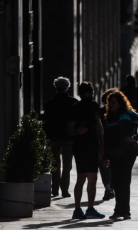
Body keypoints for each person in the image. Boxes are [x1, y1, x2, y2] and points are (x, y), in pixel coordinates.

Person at [102, 91, 138, 219]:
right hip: (113, 153)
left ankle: (125, 211)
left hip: (127, 152)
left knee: (124, 181)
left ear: (120, 103)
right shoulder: (108, 116)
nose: (110, 105)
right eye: (109, 102)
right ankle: (118, 210)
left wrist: (136, 137)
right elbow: (106, 138)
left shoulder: (127, 114)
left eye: (113, 102)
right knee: (116, 182)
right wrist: (105, 155)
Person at [67, 82, 105, 219]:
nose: (91, 95)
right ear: (82, 94)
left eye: (92, 92)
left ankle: (90, 208)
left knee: (93, 178)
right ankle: (77, 209)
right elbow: (69, 129)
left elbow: (99, 125)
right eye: (88, 93)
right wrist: (78, 131)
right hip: (80, 147)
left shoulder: (95, 106)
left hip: (93, 146)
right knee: (81, 178)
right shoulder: (75, 108)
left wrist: (101, 145)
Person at [43, 77, 79, 198]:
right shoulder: (73, 102)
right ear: (67, 87)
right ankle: (65, 189)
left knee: (55, 163)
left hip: (54, 137)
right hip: (69, 137)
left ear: (55, 87)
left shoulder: (50, 103)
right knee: (67, 164)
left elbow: (46, 122)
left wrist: (46, 137)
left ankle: (55, 189)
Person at [99, 88, 118, 201]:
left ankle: (108, 189)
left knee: (105, 167)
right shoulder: (104, 112)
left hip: (104, 144)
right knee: (109, 167)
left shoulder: (100, 112)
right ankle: (110, 189)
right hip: (109, 144)